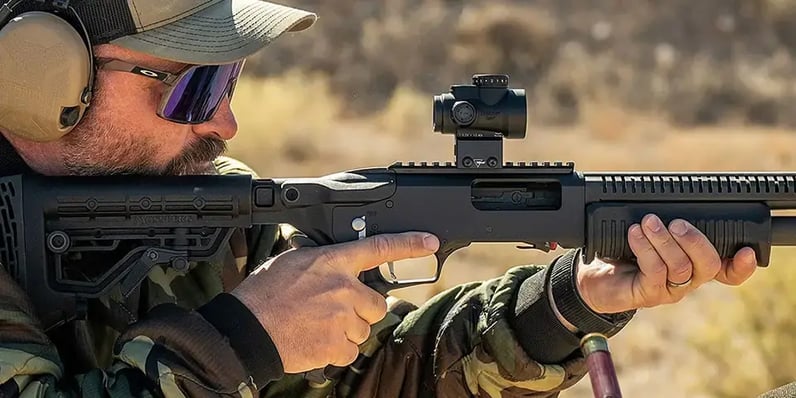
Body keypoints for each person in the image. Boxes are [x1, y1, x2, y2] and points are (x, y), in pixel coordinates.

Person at [0, 1, 759, 397]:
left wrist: (569, 305)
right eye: (193, 86)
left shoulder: (218, 213)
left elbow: (368, 381)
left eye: (227, 82)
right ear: (42, 77)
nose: (225, 122)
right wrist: (241, 342)